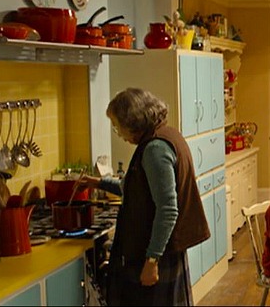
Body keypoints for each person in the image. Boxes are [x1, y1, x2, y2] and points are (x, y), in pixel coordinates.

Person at [76, 88, 210, 306]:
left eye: (118, 126)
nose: (119, 133)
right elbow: (138, 187)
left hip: (156, 251)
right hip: (165, 248)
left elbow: (167, 209)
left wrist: (152, 260)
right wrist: (99, 182)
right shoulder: (168, 135)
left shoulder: (154, 149)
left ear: (133, 122)